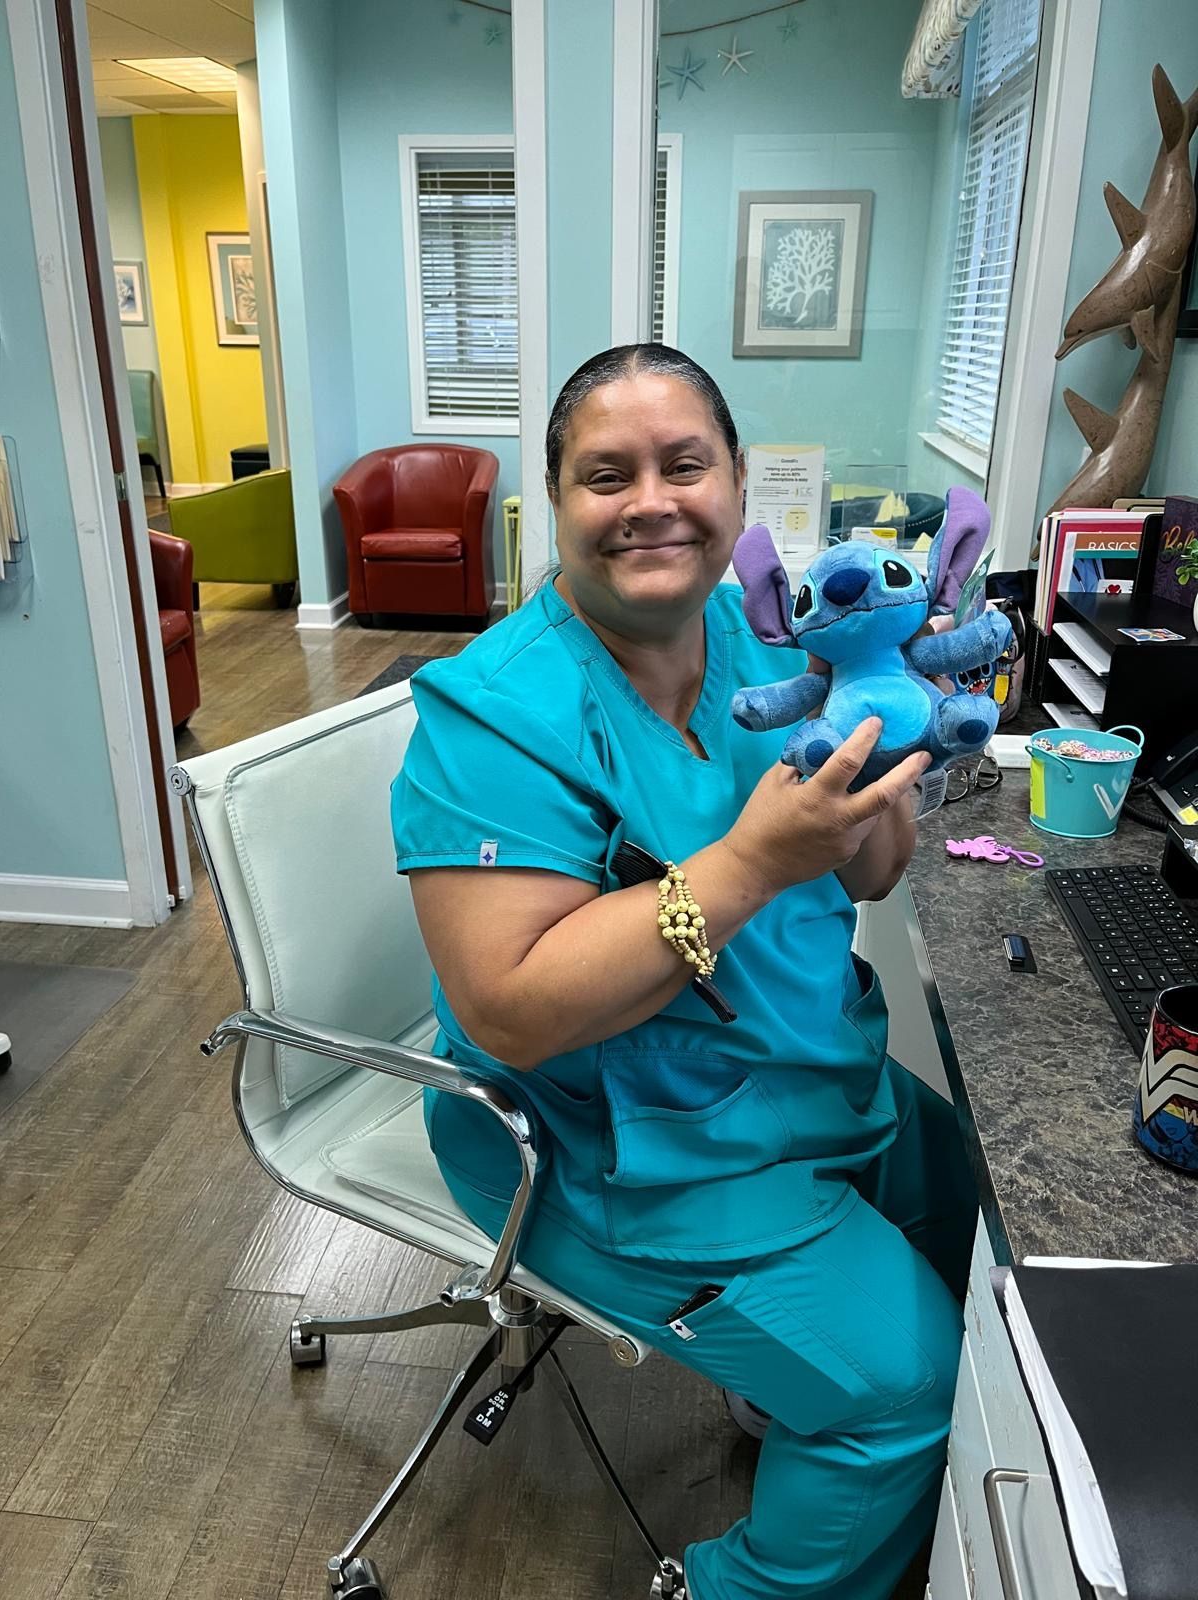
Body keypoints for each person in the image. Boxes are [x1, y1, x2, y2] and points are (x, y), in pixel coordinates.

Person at [391, 344, 976, 1600]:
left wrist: (887, 760)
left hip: (809, 1076)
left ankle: (790, 1391)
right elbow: (511, 1007)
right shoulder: (489, 716)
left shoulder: (775, 635)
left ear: (738, 488)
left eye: (684, 463)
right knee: (909, 1389)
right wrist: (752, 862)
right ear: (555, 504)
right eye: (607, 474)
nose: (651, 497)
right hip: (615, 1150)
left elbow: (871, 877)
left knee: (1000, 1248)